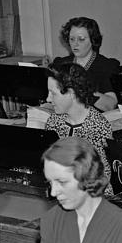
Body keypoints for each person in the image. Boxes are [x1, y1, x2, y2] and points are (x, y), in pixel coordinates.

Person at [44, 62, 112, 194]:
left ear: (71, 94)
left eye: (53, 93)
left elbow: (101, 181)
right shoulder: (54, 121)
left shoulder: (98, 126)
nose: (48, 99)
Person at [53, 16, 121, 112]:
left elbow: (110, 105)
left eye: (81, 39)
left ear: (93, 40)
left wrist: (83, 90)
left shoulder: (106, 66)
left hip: (95, 120)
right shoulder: (61, 63)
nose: (75, 44)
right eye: (72, 39)